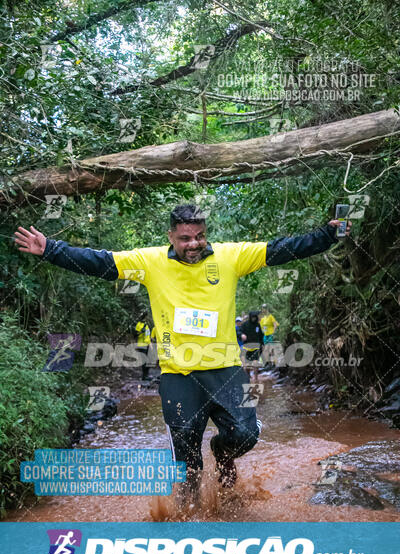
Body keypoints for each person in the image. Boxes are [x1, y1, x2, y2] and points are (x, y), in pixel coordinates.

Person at [14, 205, 352, 505]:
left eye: (200, 236)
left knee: (246, 434)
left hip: (225, 370)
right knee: (187, 461)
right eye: (185, 238)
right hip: (178, 376)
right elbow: (102, 263)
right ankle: (187, 521)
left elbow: (281, 250)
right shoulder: (150, 262)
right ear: (171, 237)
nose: (193, 244)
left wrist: (327, 234)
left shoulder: (230, 257)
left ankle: (222, 451)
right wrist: (51, 250)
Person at [239, 311, 264, 382]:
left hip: (256, 346)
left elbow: (260, 335)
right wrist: (241, 335)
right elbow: (239, 332)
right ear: (250, 317)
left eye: (255, 317)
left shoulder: (257, 325)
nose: (254, 318)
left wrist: (262, 344)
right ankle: (248, 376)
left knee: (255, 362)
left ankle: (256, 378)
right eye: (252, 317)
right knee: (247, 364)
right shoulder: (244, 325)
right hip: (247, 346)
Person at [134, 312, 151, 380]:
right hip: (143, 345)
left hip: (142, 345)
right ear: (145, 317)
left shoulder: (143, 325)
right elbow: (136, 334)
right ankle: (144, 376)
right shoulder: (141, 325)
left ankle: (145, 375)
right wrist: (150, 344)